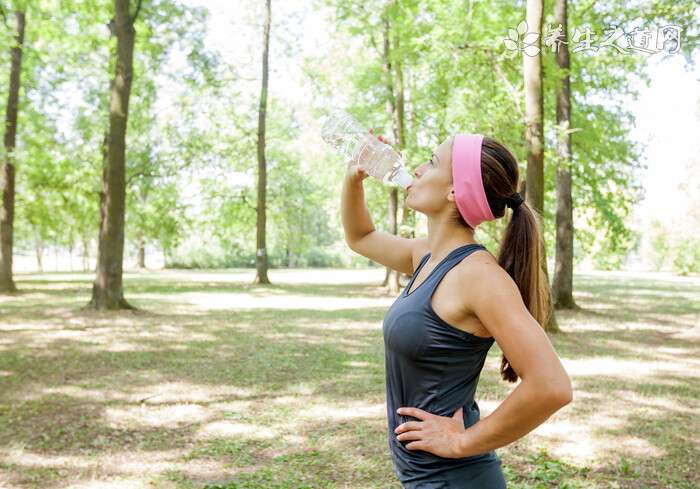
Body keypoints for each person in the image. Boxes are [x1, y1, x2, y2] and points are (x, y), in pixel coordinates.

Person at [340, 131, 573, 488]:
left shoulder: (479, 277)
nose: (416, 170)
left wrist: (462, 440)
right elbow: (361, 237)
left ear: (454, 192)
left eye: (432, 162)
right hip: (426, 479)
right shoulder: (427, 257)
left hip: (453, 479)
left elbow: (551, 386)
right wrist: (354, 175)